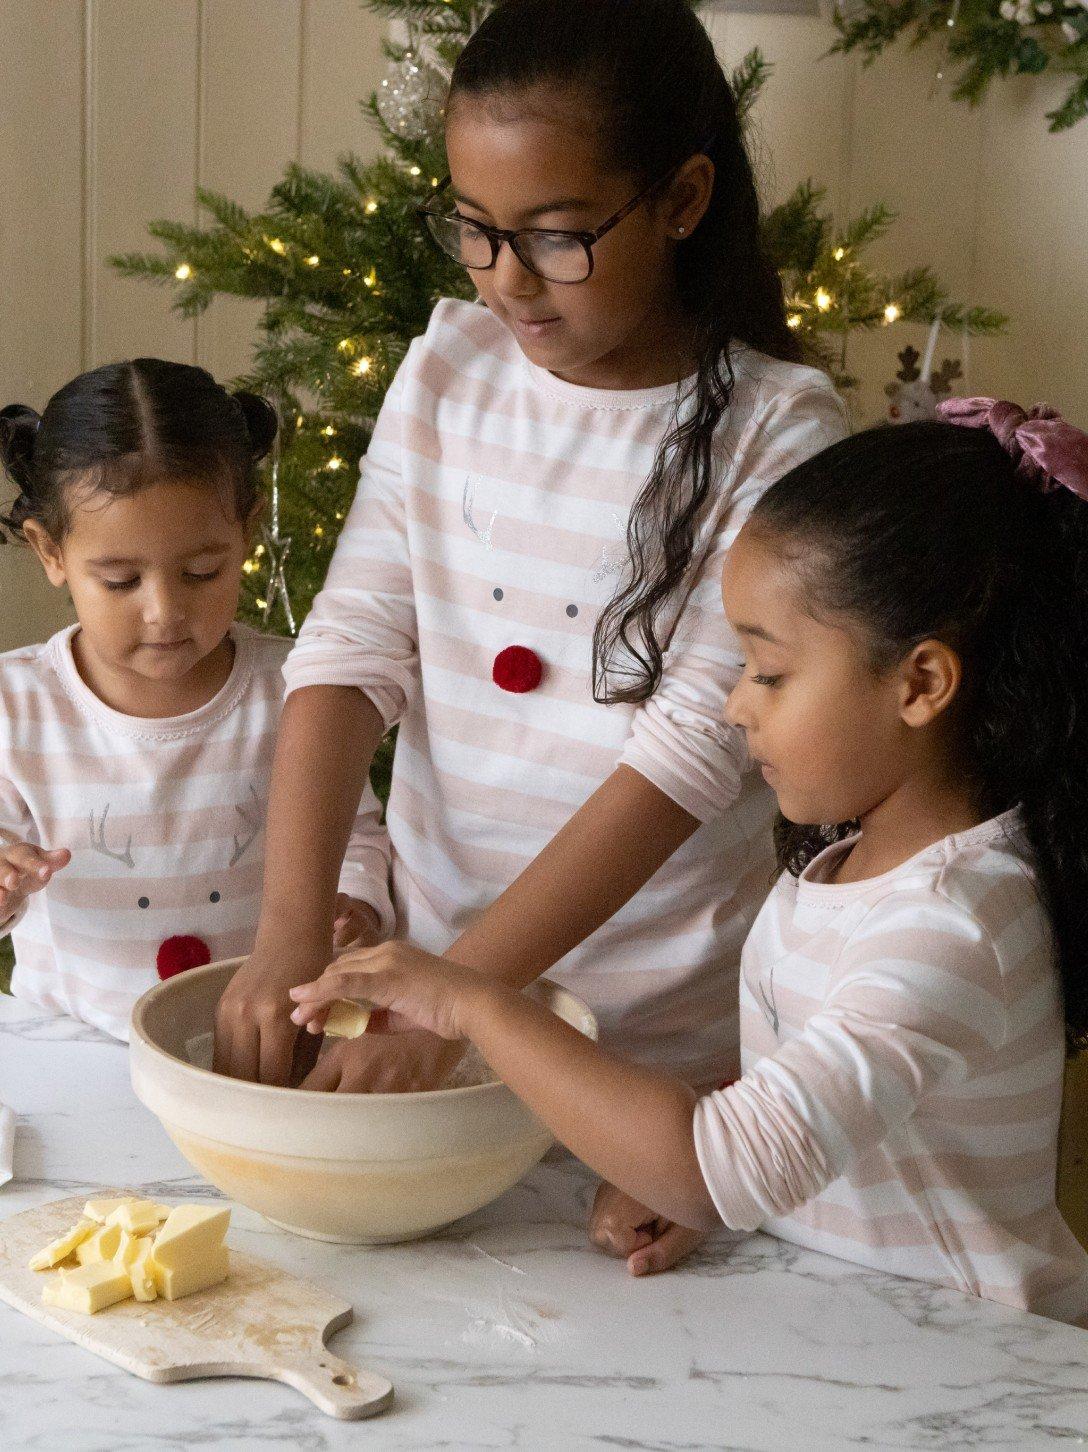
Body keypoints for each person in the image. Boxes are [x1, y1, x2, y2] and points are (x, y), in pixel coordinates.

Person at [213, 0, 847, 1270]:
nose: (501, 277)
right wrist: (293, 926)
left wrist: (464, 995)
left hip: (650, 1052)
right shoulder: (446, 367)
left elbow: (686, 757)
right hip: (421, 1009)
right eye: (473, 228)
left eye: (555, 238)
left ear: (679, 199)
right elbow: (349, 650)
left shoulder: (779, 432)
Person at [290, 400, 1088, 1322]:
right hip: (853, 1333)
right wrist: (726, 1199)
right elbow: (817, 1124)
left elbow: (723, 1167)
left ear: (920, 684)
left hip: (976, 1368)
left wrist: (470, 1000)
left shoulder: (953, 922)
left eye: (769, 672)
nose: (736, 708)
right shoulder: (849, 863)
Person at [0, 359, 389, 1041]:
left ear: (247, 531)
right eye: (120, 581)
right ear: (50, 551)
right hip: (71, 1043)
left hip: (255, 1048)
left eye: (202, 572)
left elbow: (357, 833)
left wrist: (355, 901)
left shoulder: (297, 689)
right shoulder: (17, 707)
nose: (164, 612)